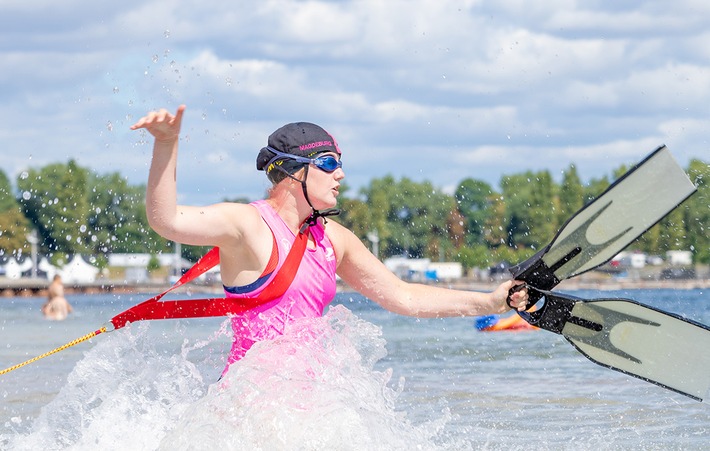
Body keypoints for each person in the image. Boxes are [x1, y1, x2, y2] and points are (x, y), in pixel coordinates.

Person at [131, 105, 529, 374]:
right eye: (328, 163)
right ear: (292, 173)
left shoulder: (333, 240)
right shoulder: (249, 225)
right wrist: (166, 144)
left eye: (339, 164)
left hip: (315, 407)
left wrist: (487, 301)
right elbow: (167, 221)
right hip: (250, 408)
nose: (340, 174)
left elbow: (403, 296)